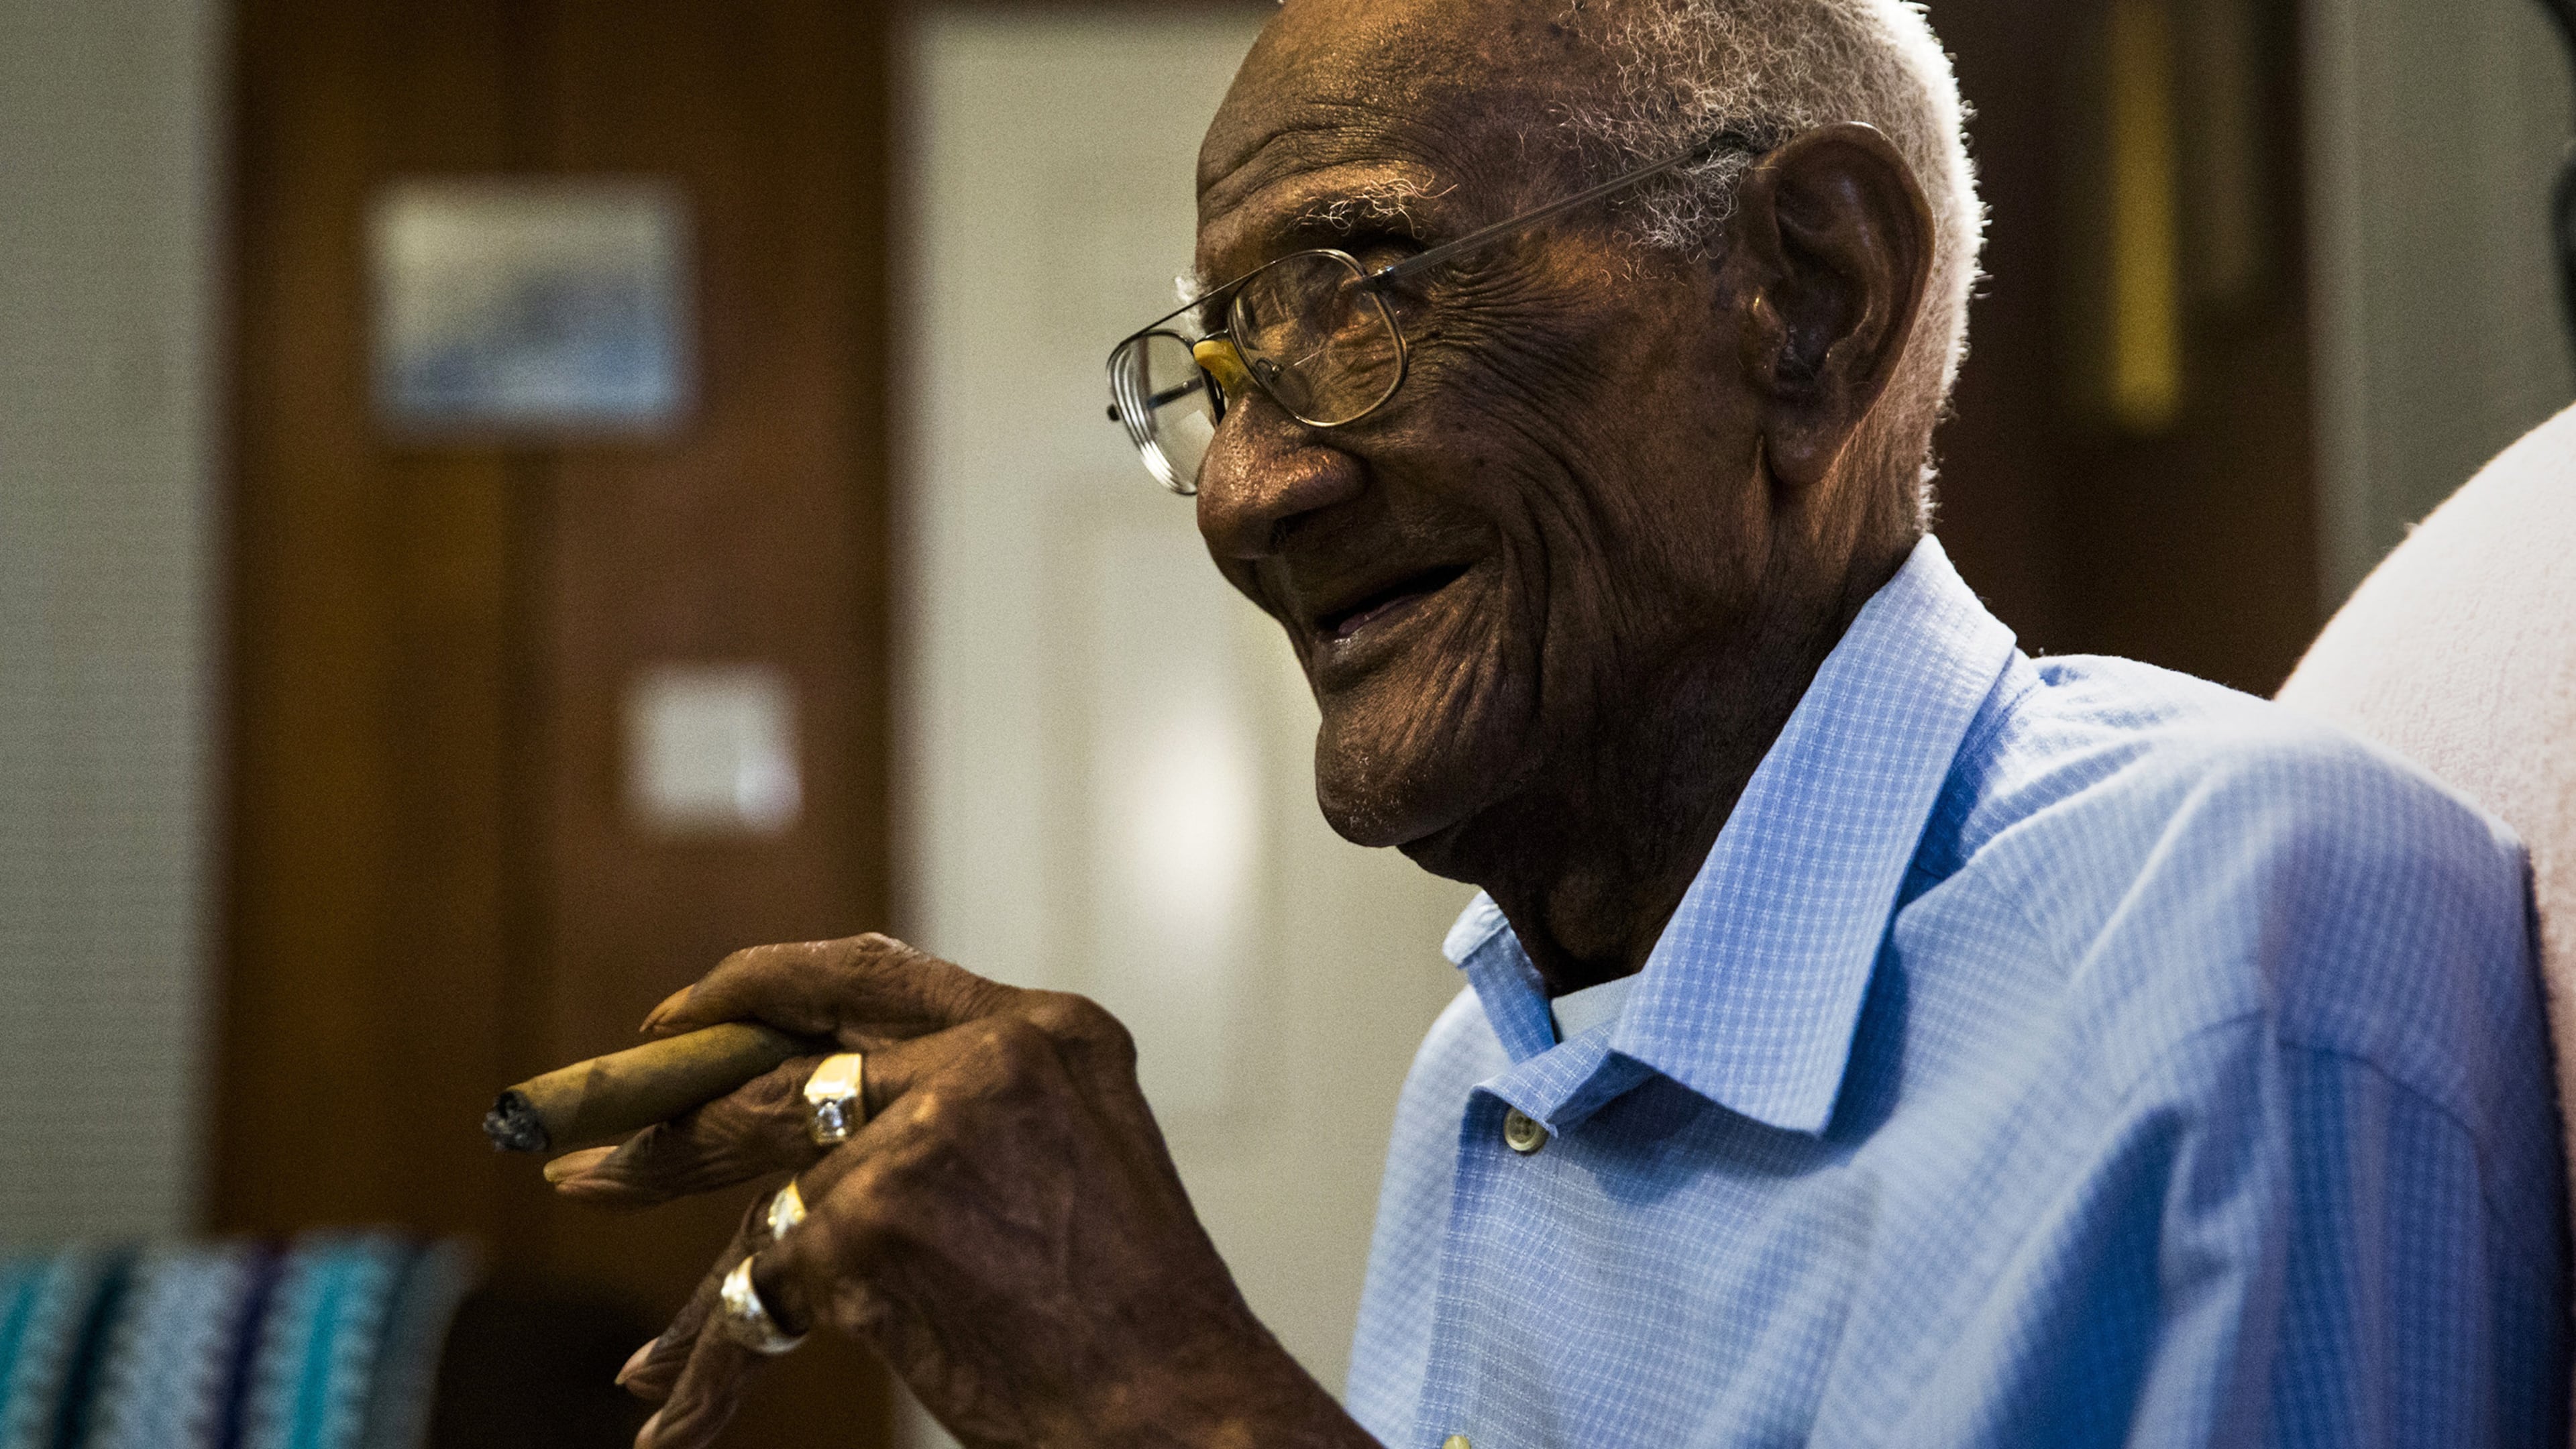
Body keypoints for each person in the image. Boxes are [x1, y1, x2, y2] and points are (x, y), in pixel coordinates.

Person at [541, 0, 2571, 1444]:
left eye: (1359, 291)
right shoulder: (1490, 1078)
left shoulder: (2240, 943)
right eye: (1224, 370)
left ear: (1812, 298)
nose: (1250, 492)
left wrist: (1159, 1404)